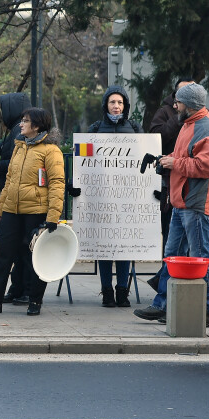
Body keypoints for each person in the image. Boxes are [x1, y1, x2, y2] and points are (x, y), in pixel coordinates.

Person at [133, 83, 209, 327]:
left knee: (201, 256)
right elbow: (186, 158)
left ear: (190, 104)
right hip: (182, 202)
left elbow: (208, 167)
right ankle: (163, 305)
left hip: (195, 203)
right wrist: (170, 161)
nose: (175, 105)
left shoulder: (206, 127)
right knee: (172, 256)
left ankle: (208, 311)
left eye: (179, 102)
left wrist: (175, 164)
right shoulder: (189, 124)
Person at [0, 107, 64, 315]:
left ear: (37, 126)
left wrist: (52, 217)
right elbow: (11, 181)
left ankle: (35, 301)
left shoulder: (51, 150)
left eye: (25, 120)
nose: (21, 124)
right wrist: (1, 209)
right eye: (22, 119)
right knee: (2, 255)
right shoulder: (19, 146)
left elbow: (57, 184)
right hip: (12, 211)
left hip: (36, 212)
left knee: (34, 259)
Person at [69, 85, 143, 308]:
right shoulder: (94, 129)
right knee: (104, 247)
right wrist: (76, 182)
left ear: (125, 106)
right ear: (106, 105)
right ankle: (107, 291)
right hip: (101, 198)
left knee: (124, 246)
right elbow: (83, 161)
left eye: (120, 102)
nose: (116, 106)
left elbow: (145, 161)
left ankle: (123, 291)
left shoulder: (135, 128)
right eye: (112, 102)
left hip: (128, 198)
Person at [0, 92, 30, 303]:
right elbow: (2, 147)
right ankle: (16, 288)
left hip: (22, 200)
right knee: (15, 249)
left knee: (22, 249)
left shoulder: (22, 131)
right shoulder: (15, 131)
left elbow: (11, 163)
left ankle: (25, 289)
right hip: (11, 196)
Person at [147, 78, 194, 290]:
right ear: (175, 96)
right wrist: (177, 118)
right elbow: (155, 137)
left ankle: (173, 282)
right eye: (185, 92)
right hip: (168, 184)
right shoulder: (166, 112)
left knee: (189, 242)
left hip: (191, 185)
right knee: (171, 239)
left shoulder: (199, 117)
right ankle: (166, 284)